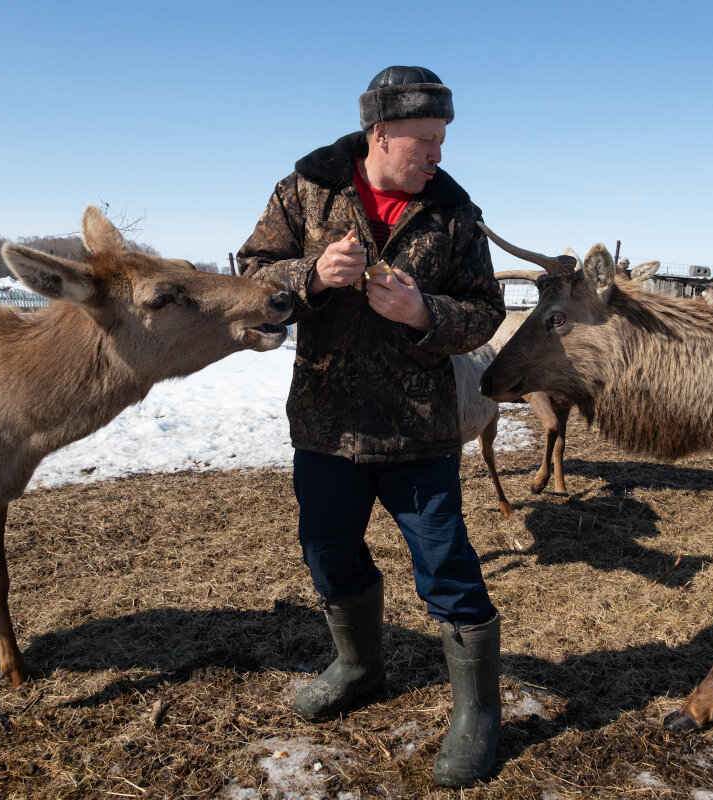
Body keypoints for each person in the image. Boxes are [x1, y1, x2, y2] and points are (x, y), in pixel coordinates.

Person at [237, 66, 505, 788]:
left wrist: (425, 315)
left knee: (447, 569)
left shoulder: (455, 215)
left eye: (443, 140)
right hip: (326, 426)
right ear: (379, 135)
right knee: (327, 554)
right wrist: (313, 278)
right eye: (424, 140)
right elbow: (253, 277)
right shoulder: (306, 192)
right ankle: (358, 664)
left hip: (419, 433)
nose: (437, 156)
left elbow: (486, 312)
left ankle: (479, 714)